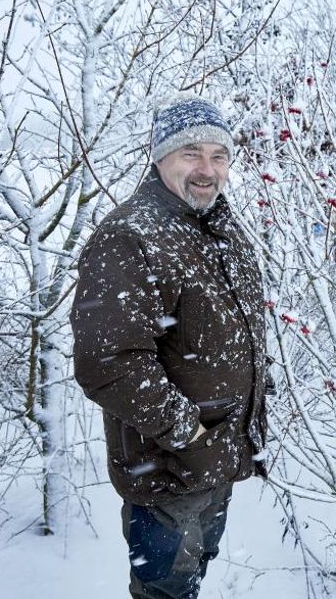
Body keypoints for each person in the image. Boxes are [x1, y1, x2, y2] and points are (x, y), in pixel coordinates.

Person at [71, 95, 268, 599]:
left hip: (215, 460)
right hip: (167, 472)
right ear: (159, 158)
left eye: (219, 156)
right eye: (191, 154)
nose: (207, 169)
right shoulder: (130, 236)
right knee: (164, 591)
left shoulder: (220, 229)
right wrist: (190, 433)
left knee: (191, 579)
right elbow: (108, 362)